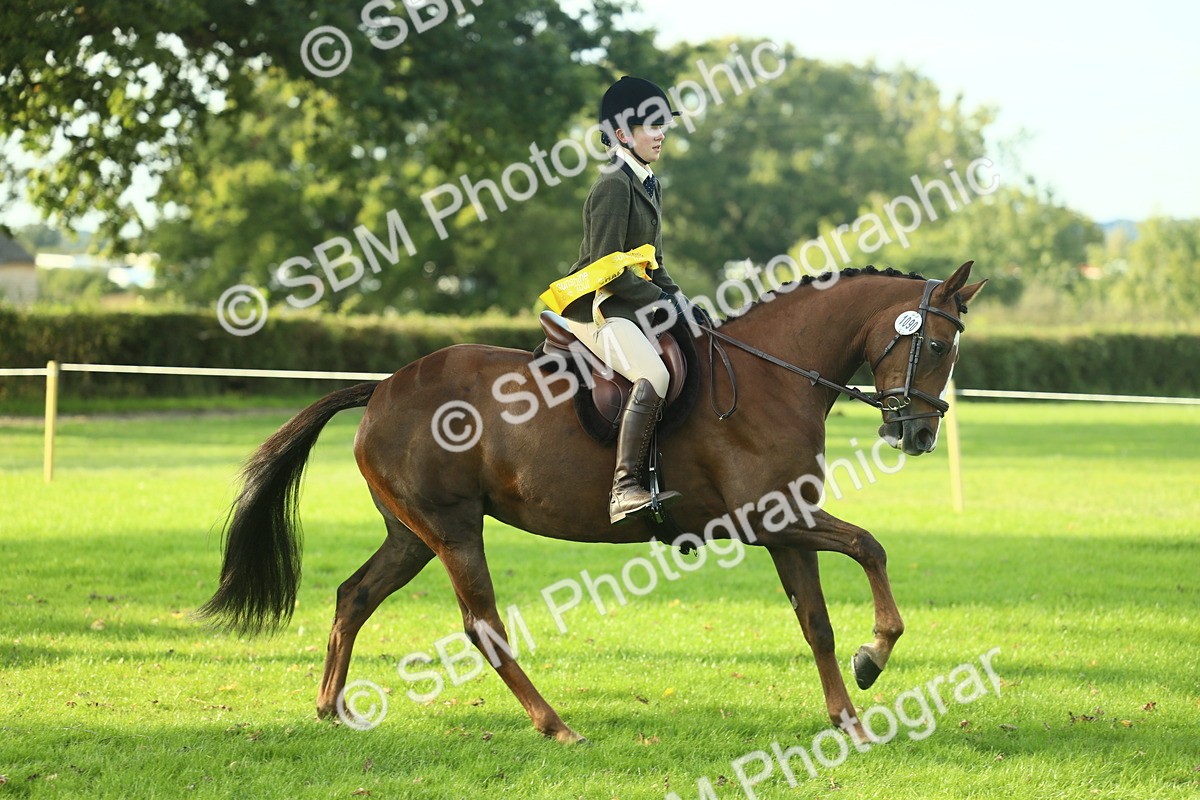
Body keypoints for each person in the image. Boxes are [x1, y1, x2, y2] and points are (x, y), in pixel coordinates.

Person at [557, 76, 690, 525]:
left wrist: (679, 299)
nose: (661, 132)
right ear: (620, 134)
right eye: (651, 125)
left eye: (663, 124)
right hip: (595, 306)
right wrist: (661, 301)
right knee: (652, 372)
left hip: (627, 302)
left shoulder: (648, 181)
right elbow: (606, 267)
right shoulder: (614, 184)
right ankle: (624, 487)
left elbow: (649, 260)